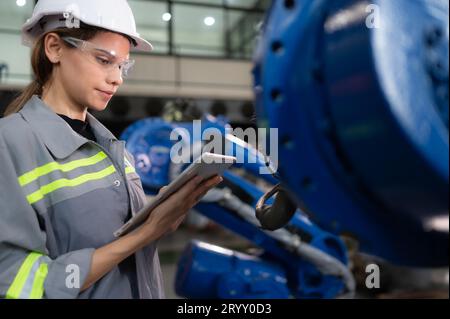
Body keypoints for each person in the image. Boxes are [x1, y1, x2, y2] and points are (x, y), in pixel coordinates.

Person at [0, 0, 222, 299]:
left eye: (122, 65)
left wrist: (165, 212)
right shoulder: (10, 144)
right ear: (54, 48)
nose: (117, 78)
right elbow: (13, 280)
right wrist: (145, 233)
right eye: (104, 60)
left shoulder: (114, 150)